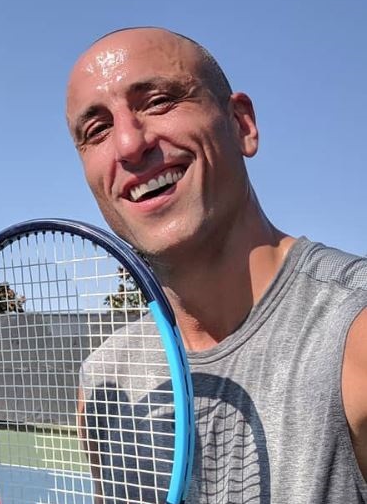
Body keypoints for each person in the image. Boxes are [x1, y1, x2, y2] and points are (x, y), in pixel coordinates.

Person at [65, 27, 367, 503]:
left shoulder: (356, 330)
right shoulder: (103, 382)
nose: (127, 144)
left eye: (159, 100)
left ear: (242, 124)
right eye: (96, 131)